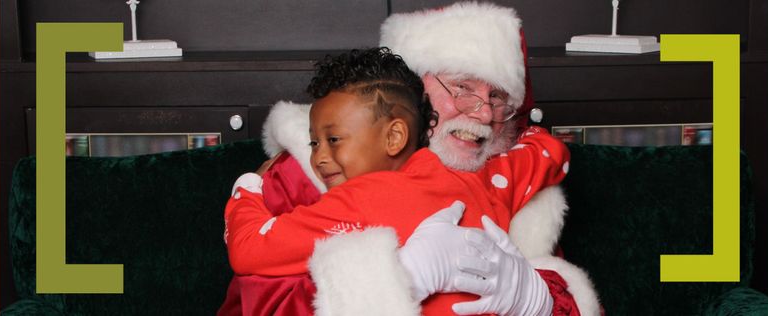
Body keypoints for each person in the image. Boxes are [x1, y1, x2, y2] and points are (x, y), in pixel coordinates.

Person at [222, 2, 602, 315]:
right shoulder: (315, 171)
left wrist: (535, 298)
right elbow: (253, 300)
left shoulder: (506, 184)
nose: (483, 114)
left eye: (497, 98)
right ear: (417, 91)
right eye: (462, 88)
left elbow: (546, 154)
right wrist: (398, 280)